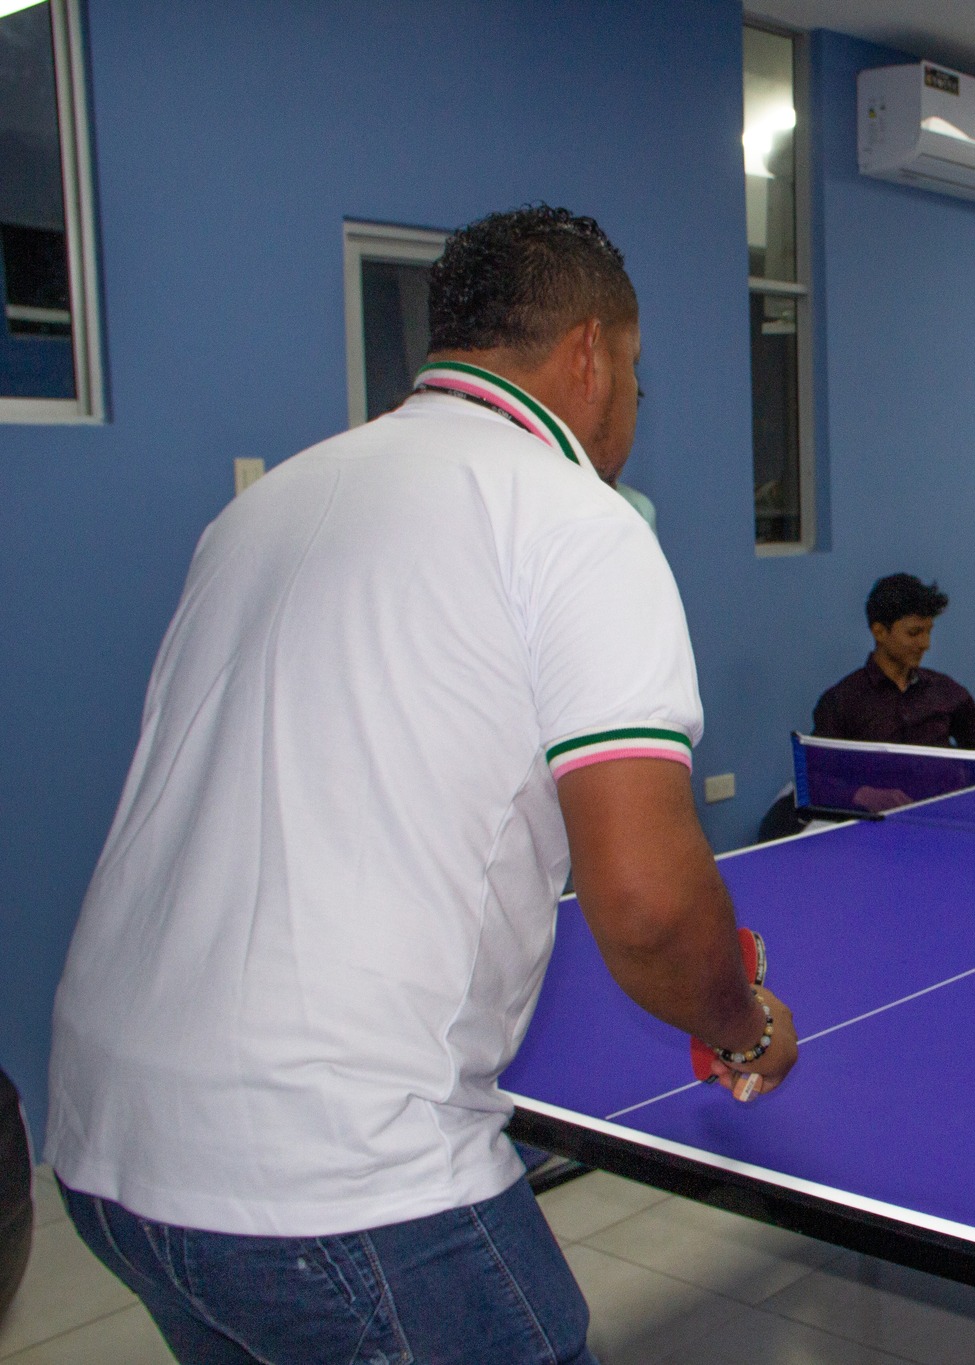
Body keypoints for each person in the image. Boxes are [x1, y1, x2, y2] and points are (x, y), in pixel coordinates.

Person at [45, 206, 797, 1363]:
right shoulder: (575, 521)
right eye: (637, 372)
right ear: (589, 354)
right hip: (333, 1172)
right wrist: (740, 1027)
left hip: (106, 1145)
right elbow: (647, 904)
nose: (635, 407)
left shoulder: (265, 505)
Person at [813, 574, 975, 753]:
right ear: (879, 632)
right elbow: (821, 772)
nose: (925, 644)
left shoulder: (944, 691)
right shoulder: (841, 702)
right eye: (914, 633)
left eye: (928, 632)